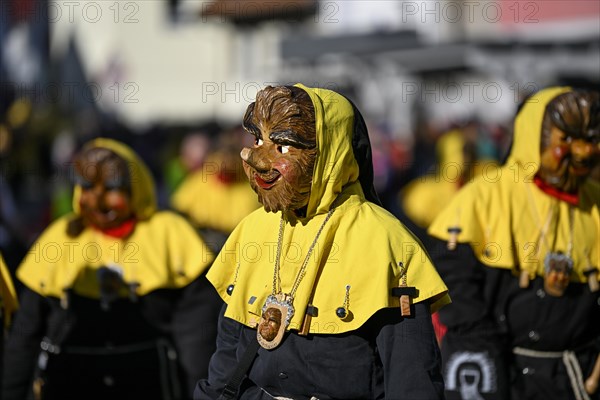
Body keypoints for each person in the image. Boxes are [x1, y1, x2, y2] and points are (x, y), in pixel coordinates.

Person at [194, 84, 450, 399]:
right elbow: (225, 363)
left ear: (330, 152)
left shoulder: (386, 241)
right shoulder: (252, 230)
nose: (256, 157)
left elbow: (413, 384)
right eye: (257, 139)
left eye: (283, 146)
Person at [2, 138, 222, 400]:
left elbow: (197, 341)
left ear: (135, 187)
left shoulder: (171, 236)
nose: (98, 200)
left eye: (112, 187)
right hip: (70, 386)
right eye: (87, 186)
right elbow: (24, 338)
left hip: (152, 387)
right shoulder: (60, 238)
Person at [428, 87, 600, 400]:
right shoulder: (484, 197)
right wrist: (483, 358)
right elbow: (455, 284)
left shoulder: (595, 202)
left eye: (590, 140)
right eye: (567, 140)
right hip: (501, 372)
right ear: (536, 136)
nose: (584, 152)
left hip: (577, 379)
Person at [171, 127, 261, 253]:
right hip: (201, 246)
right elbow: (179, 212)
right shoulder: (197, 182)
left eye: (231, 156)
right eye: (221, 155)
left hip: (236, 247)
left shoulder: (250, 190)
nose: (226, 161)